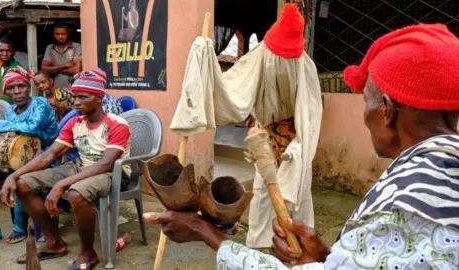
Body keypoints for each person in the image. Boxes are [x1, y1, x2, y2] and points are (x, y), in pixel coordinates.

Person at [143, 24, 459, 269]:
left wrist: (203, 230)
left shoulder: (408, 206)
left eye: (367, 101)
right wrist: (326, 256)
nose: (365, 114)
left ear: (386, 110)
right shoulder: (438, 172)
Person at [0, 68, 131, 268]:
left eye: (82, 97)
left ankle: (88, 253)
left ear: (98, 99)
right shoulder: (75, 123)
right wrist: (14, 176)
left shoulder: (116, 124)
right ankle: (53, 243)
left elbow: (106, 163)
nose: (75, 102)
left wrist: (62, 184)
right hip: (81, 167)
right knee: (23, 183)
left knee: (76, 193)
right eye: (74, 97)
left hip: (111, 173)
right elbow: (50, 154)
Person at [0, 67, 58, 246]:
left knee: (19, 176)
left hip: (45, 158)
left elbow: (33, 127)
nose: (17, 91)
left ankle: (20, 226)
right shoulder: (11, 111)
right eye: (11, 88)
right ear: (5, 91)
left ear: (29, 87)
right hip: (15, 158)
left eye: (21, 86)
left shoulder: (40, 104)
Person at [33, 70, 123, 123]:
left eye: (43, 82)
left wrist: (60, 105)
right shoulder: (38, 100)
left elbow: (74, 113)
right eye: (37, 84)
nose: (40, 86)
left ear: (51, 81)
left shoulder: (65, 94)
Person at [42, 22, 82, 89]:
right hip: (56, 89)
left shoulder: (76, 46)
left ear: (68, 32)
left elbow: (77, 70)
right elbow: (44, 69)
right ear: (53, 33)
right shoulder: (50, 48)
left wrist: (54, 69)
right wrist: (65, 65)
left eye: (63, 34)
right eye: (57, 34)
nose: (60, 36)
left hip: (73, 89)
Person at [0, 38, 26, 104]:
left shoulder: (19, 69)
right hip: (5, 109)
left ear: (13, 52)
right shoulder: (0, 68)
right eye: (1, 50)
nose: (4, 54)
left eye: (8, 50)